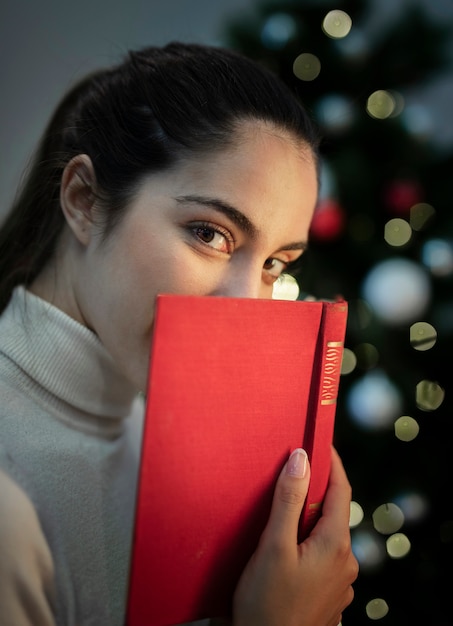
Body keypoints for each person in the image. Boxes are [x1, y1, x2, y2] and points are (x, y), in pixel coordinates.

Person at [0, 42, 358, 626]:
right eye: (209, 234)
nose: (247, 306)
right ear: (83, 200)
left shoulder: (164, 437)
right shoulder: (9, 505)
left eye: (275, 265)